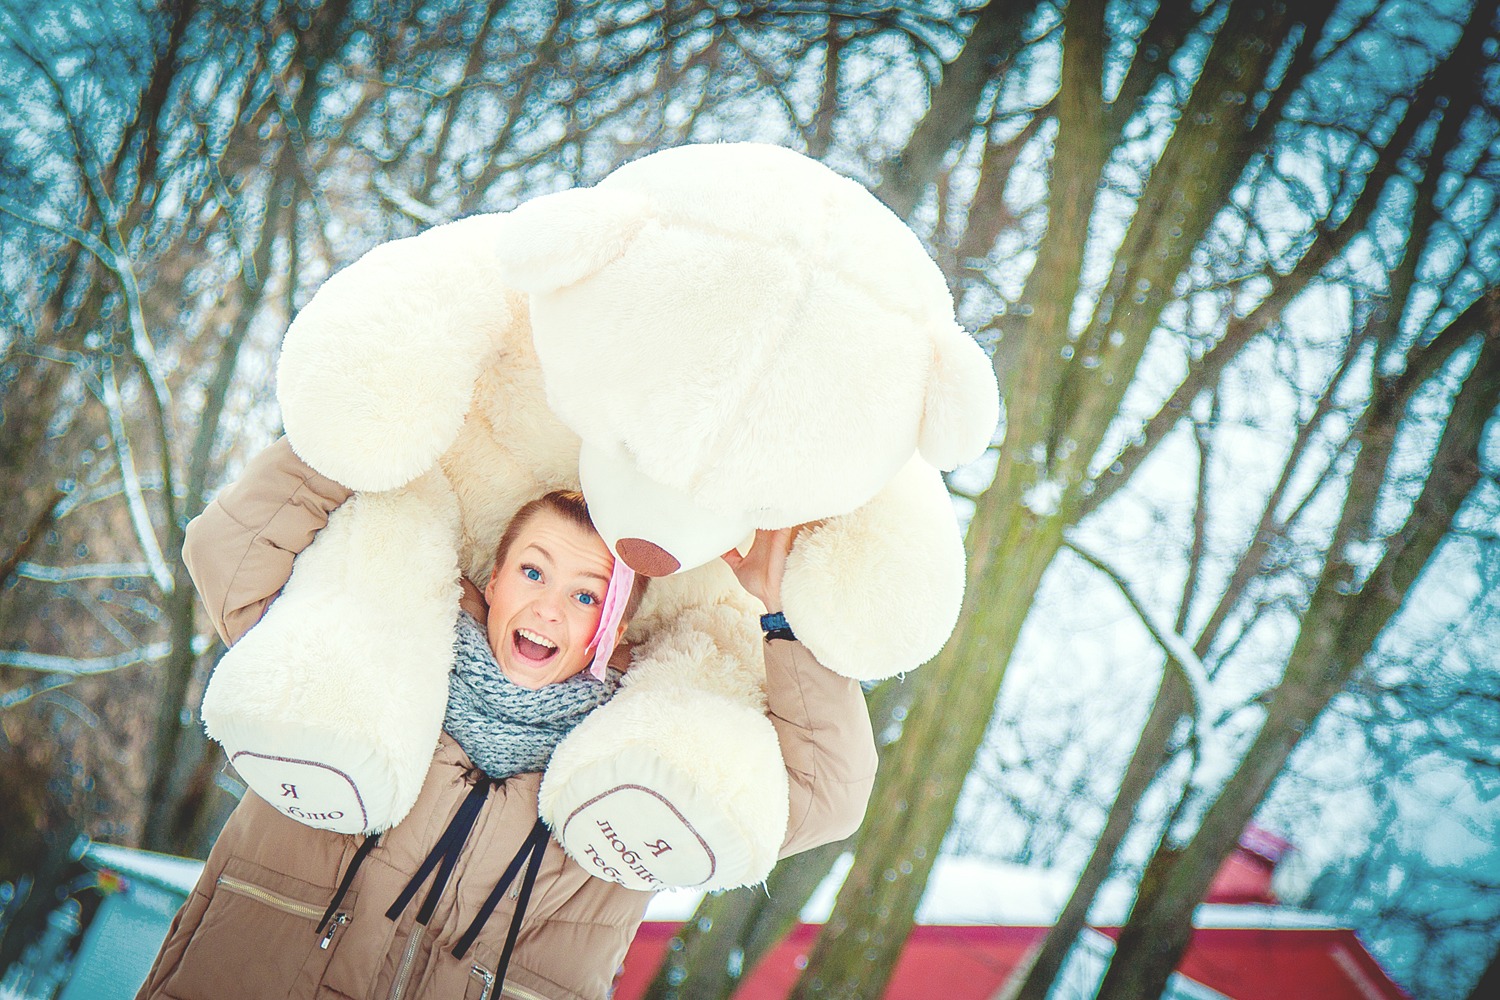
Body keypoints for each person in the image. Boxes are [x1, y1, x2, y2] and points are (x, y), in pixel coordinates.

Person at [136, 438, 878, 1000]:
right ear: (492, 581)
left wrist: (782, 614)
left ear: (615, 631)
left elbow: (824, 797)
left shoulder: (647, 769)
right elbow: (226, 558)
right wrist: (363, 428)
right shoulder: (368, 655)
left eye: (589, 596)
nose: (550, 608)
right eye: (533, 571)